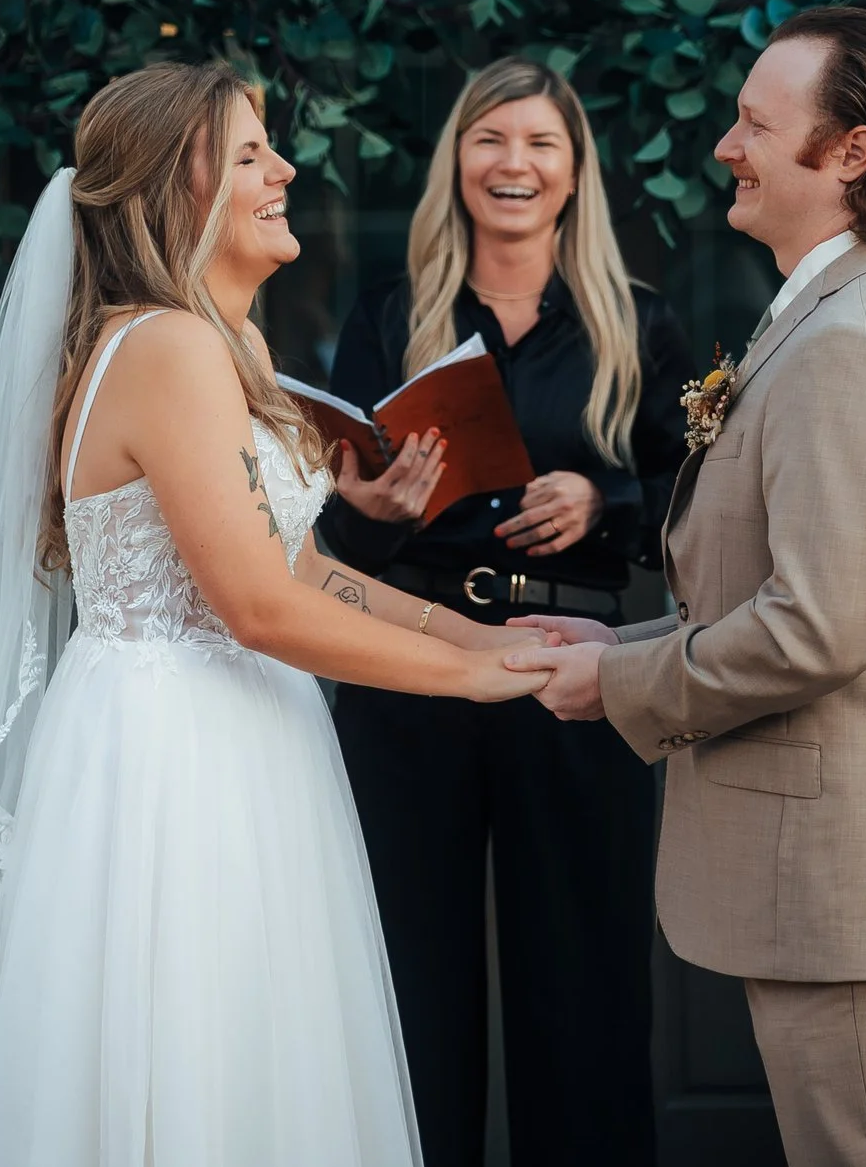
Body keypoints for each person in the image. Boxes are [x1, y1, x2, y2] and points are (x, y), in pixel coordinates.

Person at [0, 61, 549, 1167]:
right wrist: (474, 683)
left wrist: (490, 638)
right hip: (172, 752)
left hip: (246, 727)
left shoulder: (224, 345)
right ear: (176, 192)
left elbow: (307, 568)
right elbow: (257, 604)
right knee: (186, 1049)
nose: (284, 169)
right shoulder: (167, 347)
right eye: (248, 154)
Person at [507, 6, 866, 1167]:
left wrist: (616, 682)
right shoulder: (845, 304)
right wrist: (605, 633)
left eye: (752, 123)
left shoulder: (855, 341)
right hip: (847, 890)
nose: (725, 146)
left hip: (861, 893)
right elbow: (780, 584)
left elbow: (819, 627)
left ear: (849, 153)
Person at [316, 59, 690, 1167]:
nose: (513, 164)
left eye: (538, 143)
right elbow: (338, 544)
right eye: (489, 140)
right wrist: (380, 511)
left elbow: (708, 509)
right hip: (413, 665)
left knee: (581, 977)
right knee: (405, 972)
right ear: (456, 164)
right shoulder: (390, 314)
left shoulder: (641, 324)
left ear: (575, 173)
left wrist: (607, 499)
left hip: (574, 671)